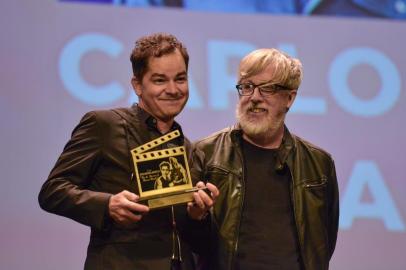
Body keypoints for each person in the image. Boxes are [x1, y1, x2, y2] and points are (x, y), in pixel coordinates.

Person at [38, 32, 217, 270]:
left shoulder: (190, 151)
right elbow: (53, 191)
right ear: (137, 85)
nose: (173, 89)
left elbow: (197, 241)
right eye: (160, 80)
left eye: (180, 79)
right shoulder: (104, 126)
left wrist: (198, 215)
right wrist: (107, 204)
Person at [190, 48, 339, 270]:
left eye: (268, 89)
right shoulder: (205, 153)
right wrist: (196, 218)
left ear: (289, 98)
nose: (255, 98)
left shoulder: (319, 164)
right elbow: (193, 244)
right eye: (247, 86)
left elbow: (322, 244)